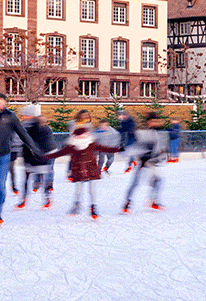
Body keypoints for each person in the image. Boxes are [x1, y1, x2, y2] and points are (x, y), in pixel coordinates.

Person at [43, 111, 120, 219]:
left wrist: (118, 149)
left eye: (84, 135)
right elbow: (60, 153)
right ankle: (77, 205)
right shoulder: (73, 146)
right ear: (76, 136)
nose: (82, 137)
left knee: (92, 190)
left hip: (91, 169)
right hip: (79, 170)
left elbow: (105, 148)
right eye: (80, 136)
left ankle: (93, 207)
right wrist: (46, 156)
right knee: (78, 190)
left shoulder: (92, 144)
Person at [0, 93, 42, 225]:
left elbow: (23, 133)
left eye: (3, 102)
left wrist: (34, 148)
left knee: (0, 186)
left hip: (4, 155)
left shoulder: (10, 116)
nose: (1, 104)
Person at [122, 112, 168, 213]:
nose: (156, 123)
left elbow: (158, 149)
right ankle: (127, 203)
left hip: (152, 164)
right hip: (144, 164)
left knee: (158, 181)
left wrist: (161, 156)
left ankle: (153, 201)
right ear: (149, 123)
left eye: (157, 121)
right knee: (136, 184)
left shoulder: (157, 134)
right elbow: (134, 147)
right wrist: (137, 155)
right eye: (153, 121)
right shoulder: (143, 133)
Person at [15, 105, 55, 210]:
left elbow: (47, 143)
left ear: (31, 116)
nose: (23, 117)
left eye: (25, 115)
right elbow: (20, 141)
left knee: (43, 178)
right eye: (22, 115)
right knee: (26, 180)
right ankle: (24, 199)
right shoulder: (23, 126)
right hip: (29, 158)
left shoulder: (41, 127)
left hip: (40, 158)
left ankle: (47, 198)